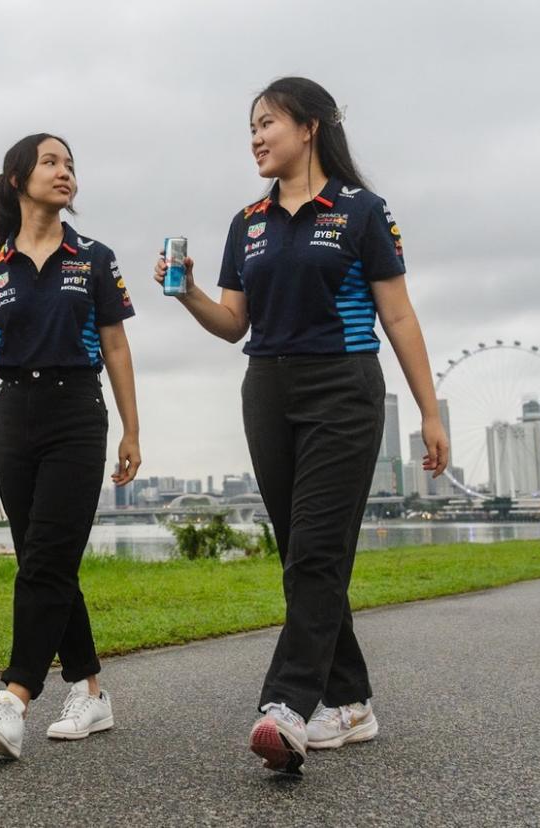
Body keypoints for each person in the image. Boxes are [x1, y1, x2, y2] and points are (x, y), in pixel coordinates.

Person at [155, 77, 448, 775]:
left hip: (342, 386)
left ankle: (287, 705)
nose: (256, 137)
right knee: (301, 554)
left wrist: (430, 411)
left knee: (317, 550)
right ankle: (350, 701)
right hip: (267, 388)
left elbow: (399, 316)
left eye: (268, 123)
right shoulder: (247, 222)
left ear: (310, 126)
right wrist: (190, 290)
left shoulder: (360, 211)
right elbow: (233, 325)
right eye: (251, 127)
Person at [0, 133, 141, 760]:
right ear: (18, 180)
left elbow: (115, 346)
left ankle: (14, 699)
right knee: (45, 557)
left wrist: (130, 431)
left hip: (75, 411)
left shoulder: (92, 258)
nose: (65, 174)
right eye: (51, 163)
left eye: (70, 165)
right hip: (14, 413)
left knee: (45, 560)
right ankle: (91, 690)